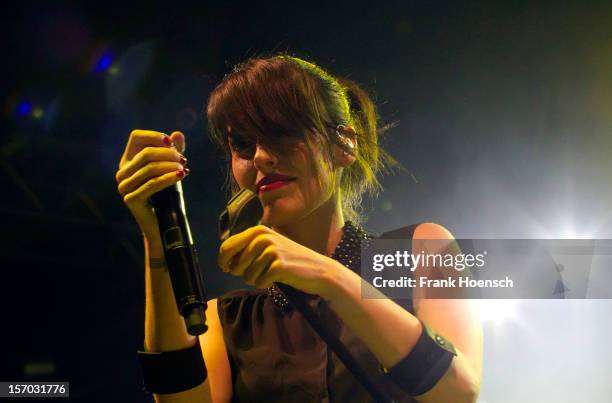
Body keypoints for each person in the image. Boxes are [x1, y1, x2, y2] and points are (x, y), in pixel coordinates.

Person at [115, 54, 483, 403]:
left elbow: (458, 391)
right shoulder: (227, 321)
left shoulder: (418, 249)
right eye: (242, 144)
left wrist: (328, 276)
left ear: (344, 144)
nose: (260, 155)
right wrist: (158, 234)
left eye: (281, 131)